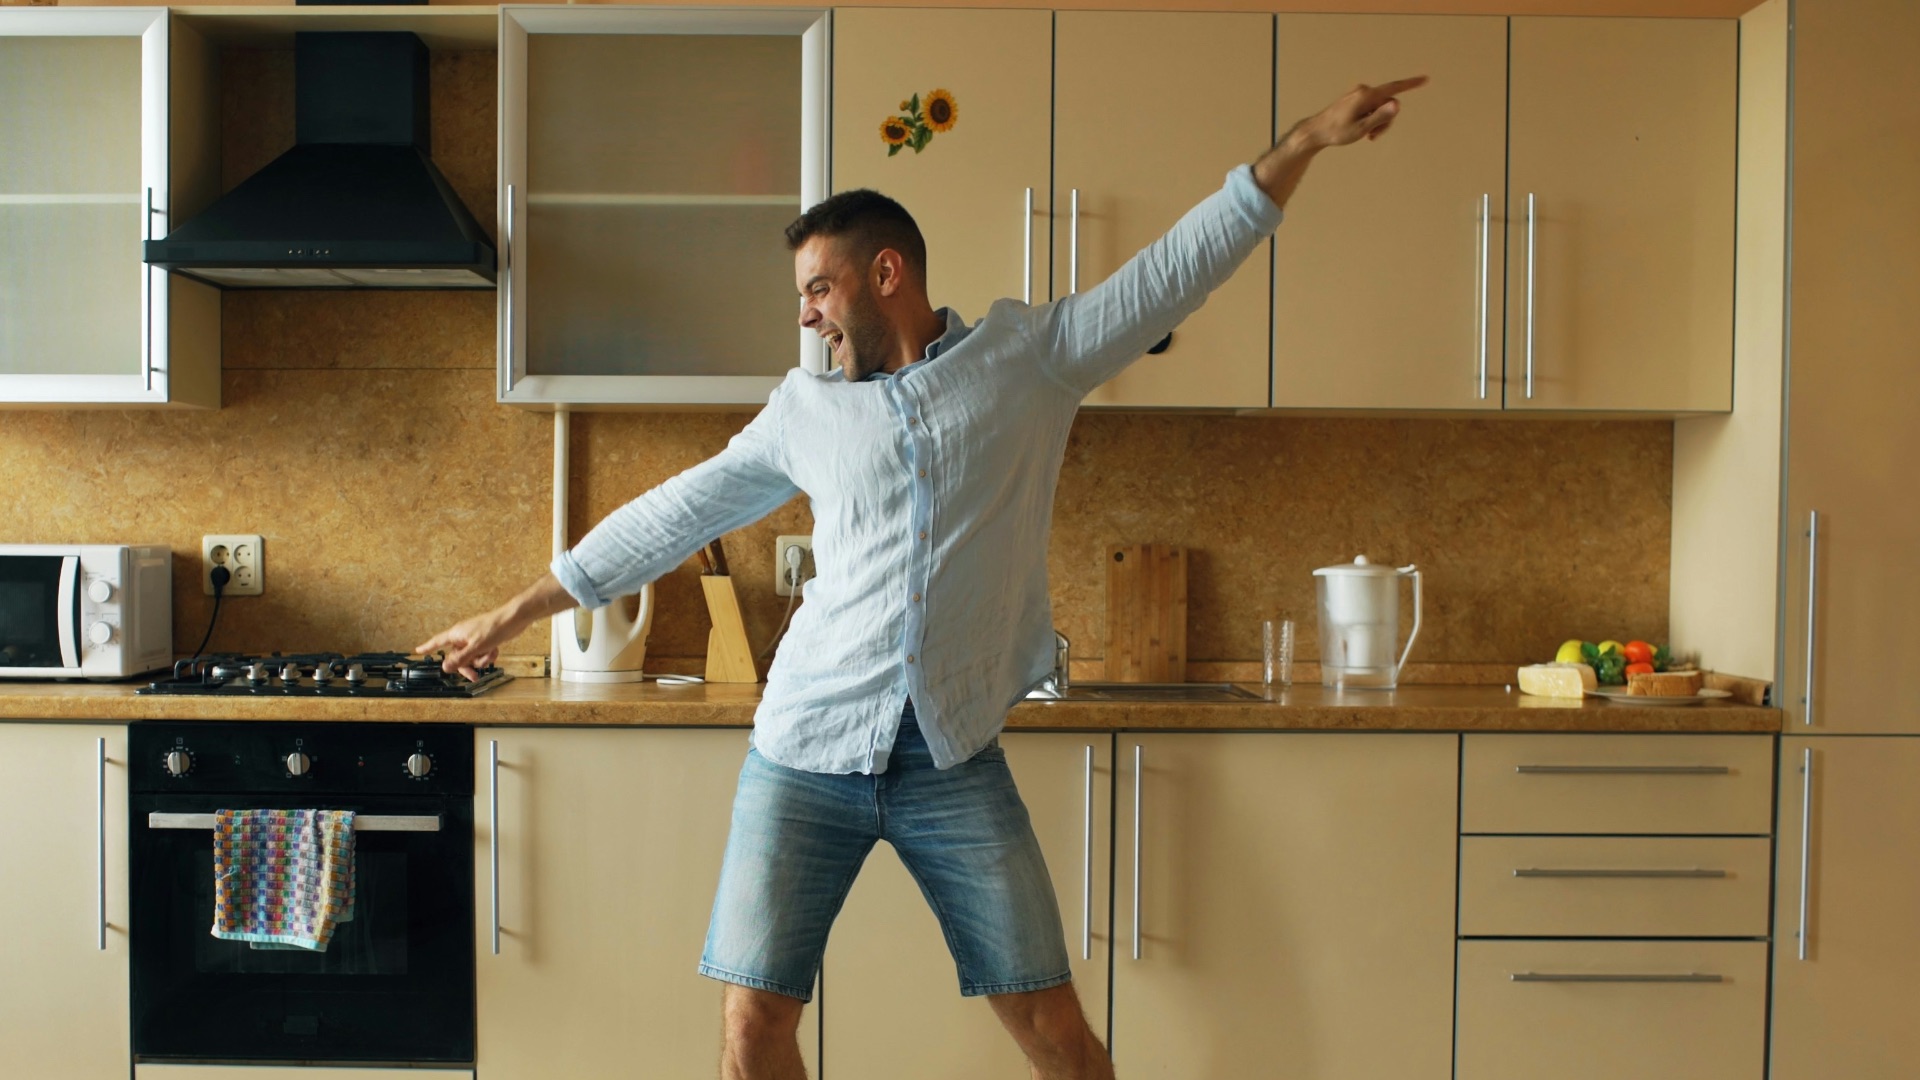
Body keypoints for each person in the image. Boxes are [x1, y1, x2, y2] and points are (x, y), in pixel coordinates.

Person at [419, 75, 1427, 1080]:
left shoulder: (1029, 359)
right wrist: (515, 612)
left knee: (1052, 1031)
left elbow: (1170, 274)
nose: (808, 317)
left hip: (951, 756)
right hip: (804, 749)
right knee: (751, 1031)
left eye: (818, 289)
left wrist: (1300, 144)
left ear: (884, 272)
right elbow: (676, 511)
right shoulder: (804, 411)